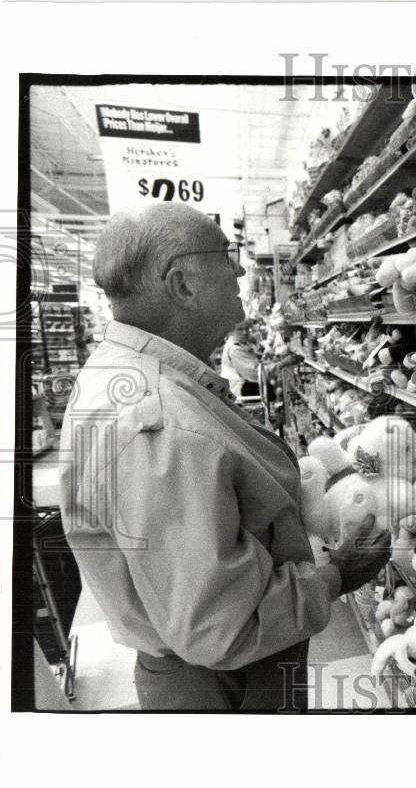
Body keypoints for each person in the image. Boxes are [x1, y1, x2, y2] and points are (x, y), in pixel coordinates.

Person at [58, 202, 389, 710]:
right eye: (224, 255)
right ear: (183, 283)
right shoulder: (161, 422)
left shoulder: (128, 373)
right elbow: (223, 627)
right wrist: (340, 574)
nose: (238, 269)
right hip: (223, 689)